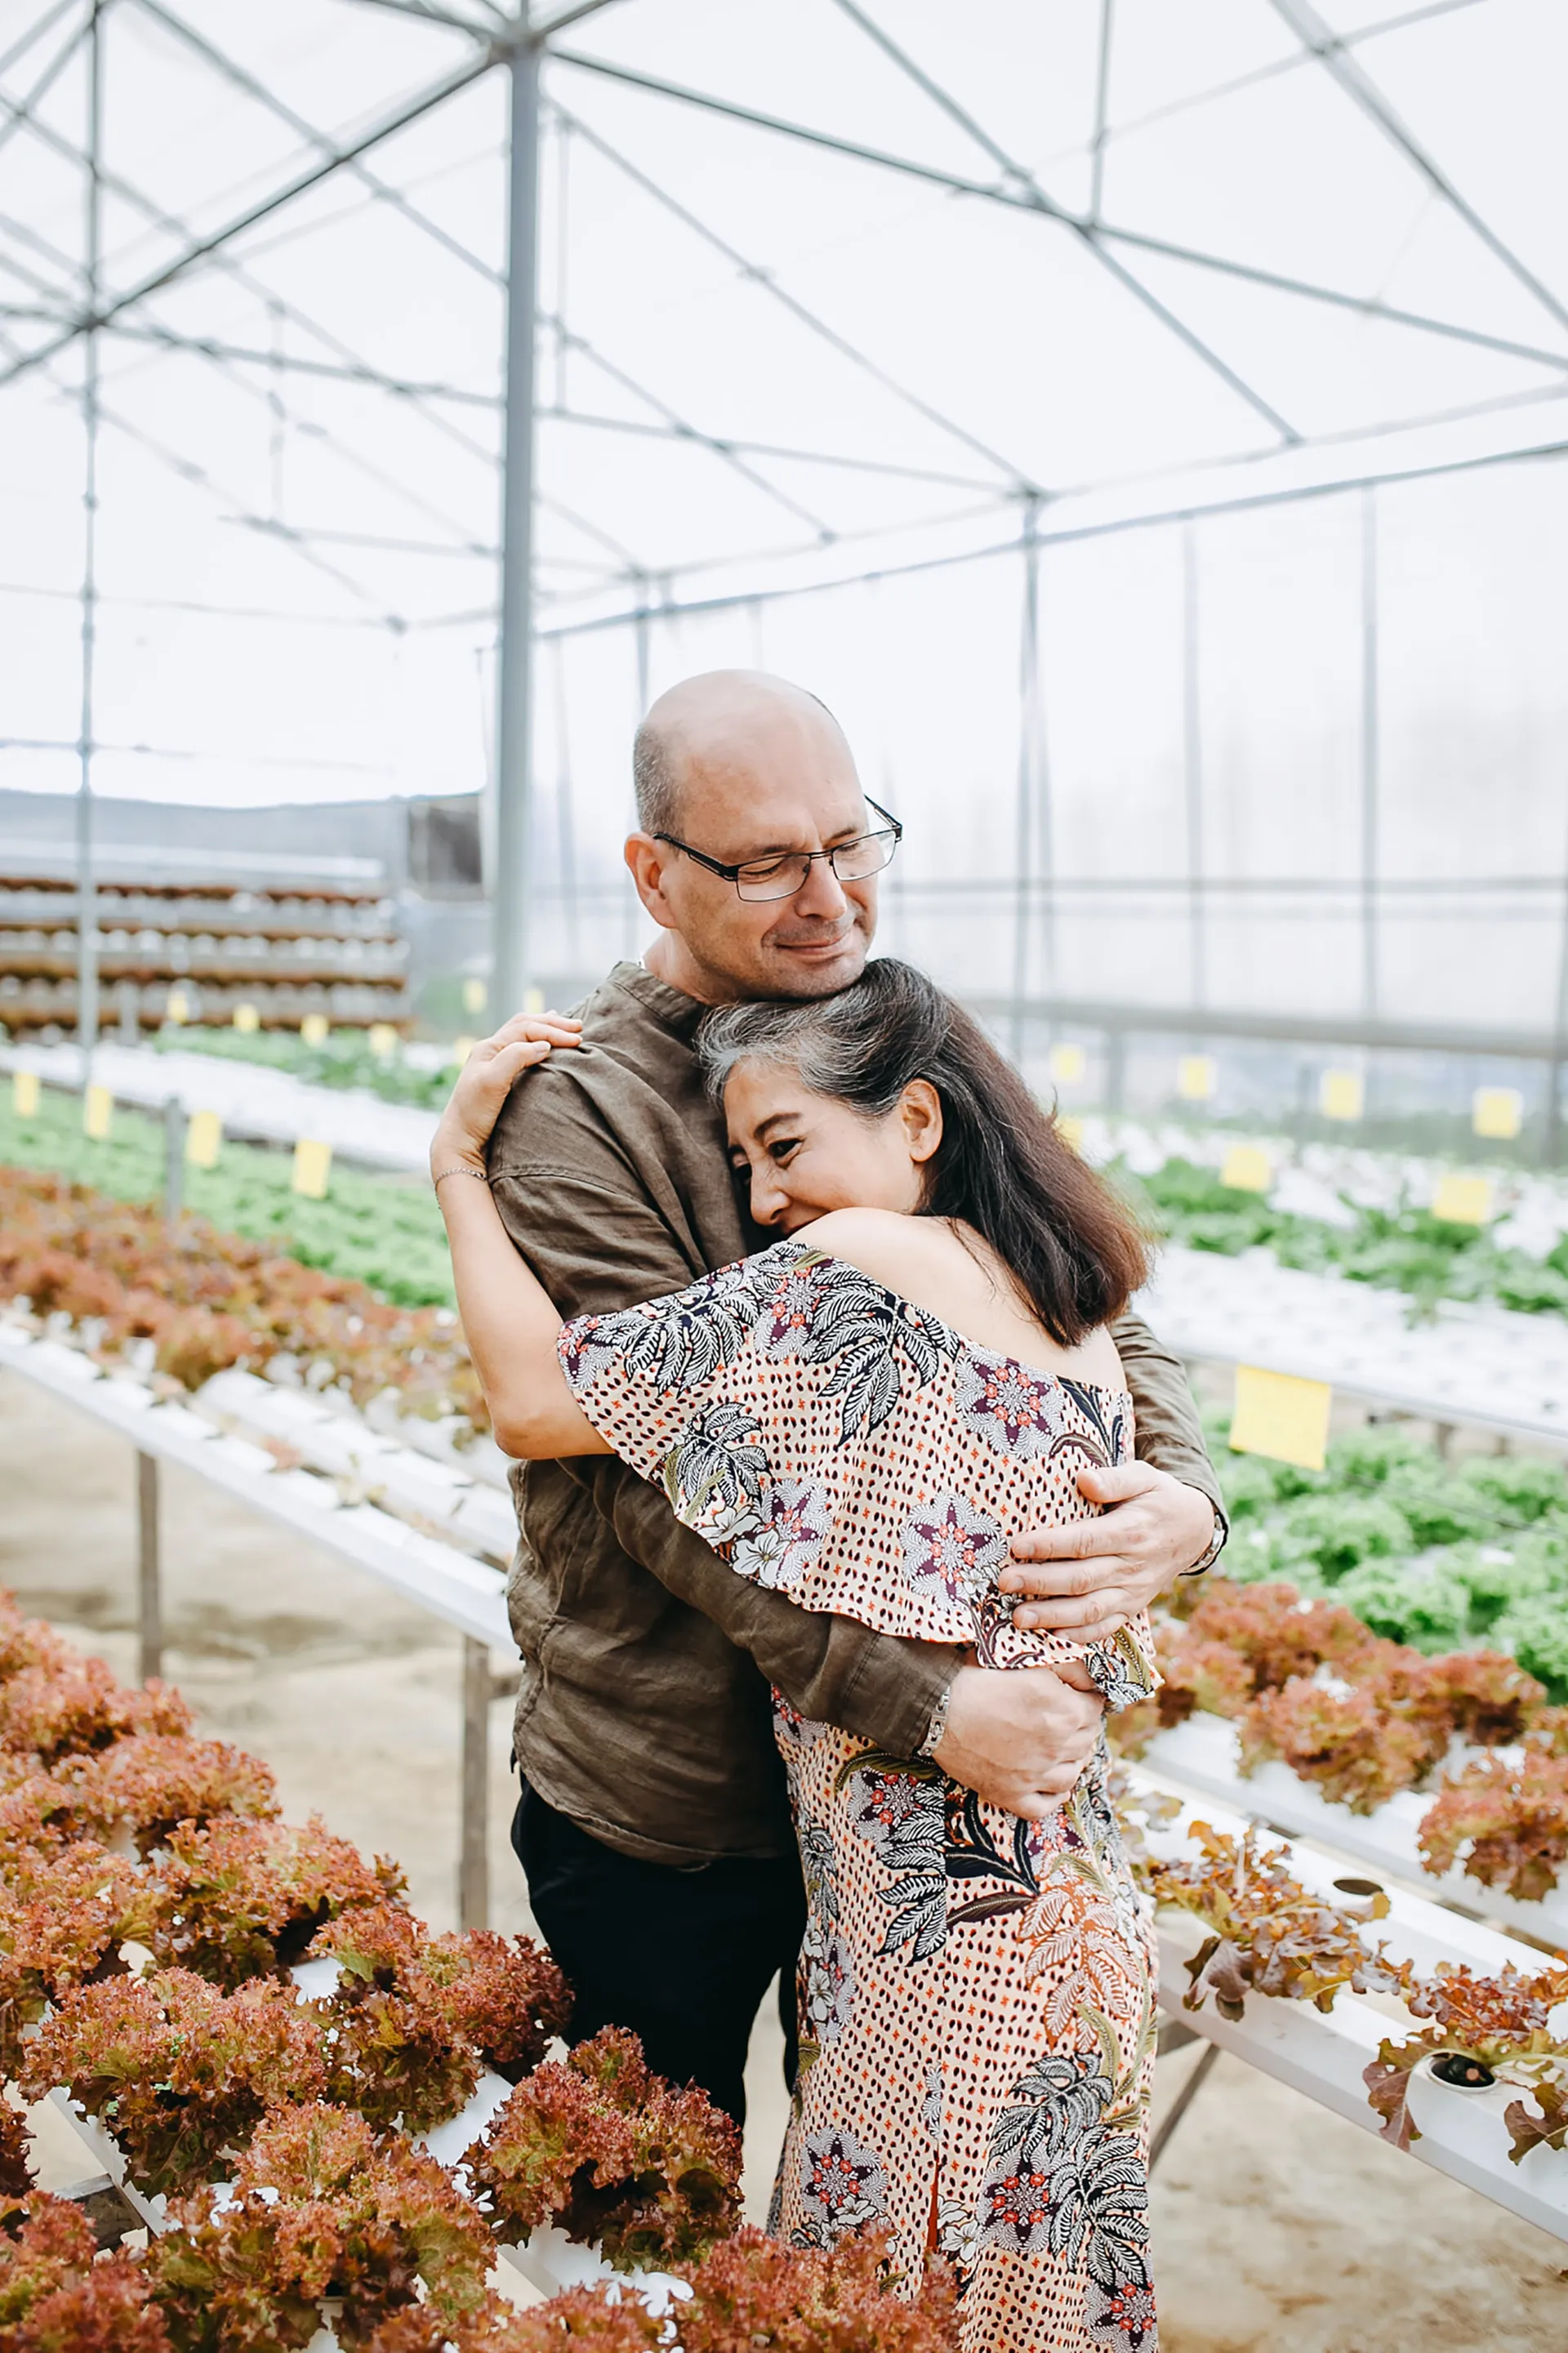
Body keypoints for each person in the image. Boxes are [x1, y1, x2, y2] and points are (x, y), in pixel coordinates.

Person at [478, 671, 1223, 2127]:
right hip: (683, 1796)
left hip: (917, 1817)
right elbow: (656, 1488)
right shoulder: (582, 1107)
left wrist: (1184, 1501)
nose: (827, 899)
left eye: (850, 843)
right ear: (653, 874)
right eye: (765, 863)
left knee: (880, 2241)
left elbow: (1076, 1277)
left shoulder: (892, 1030)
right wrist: (927, 1703)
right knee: (657, 2221)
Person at [430, 959, 1165, 2351]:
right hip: (1049, 1908)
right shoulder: (1056, 1295)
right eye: (746, 1163)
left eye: (785, 1148)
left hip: (941, 1937)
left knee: (878, 2312)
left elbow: (534, 1402)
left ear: (921, 1125)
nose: (765, 1202)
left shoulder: (868, 1267)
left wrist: (460, 1167)